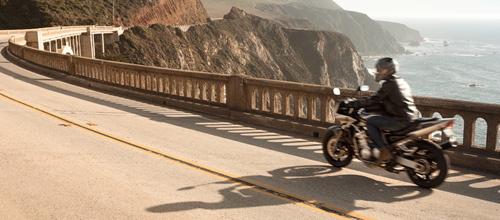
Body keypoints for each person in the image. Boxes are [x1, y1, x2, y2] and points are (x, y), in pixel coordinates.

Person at [346, 57, 419, 165]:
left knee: (370, 122)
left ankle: (382, 150)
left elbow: (374, 99)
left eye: (379, 69)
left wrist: (356, 103)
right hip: (411, 117)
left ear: (386, 70)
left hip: (399, 120)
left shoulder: (389, 85)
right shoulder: (400, 81)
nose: (377, 72)